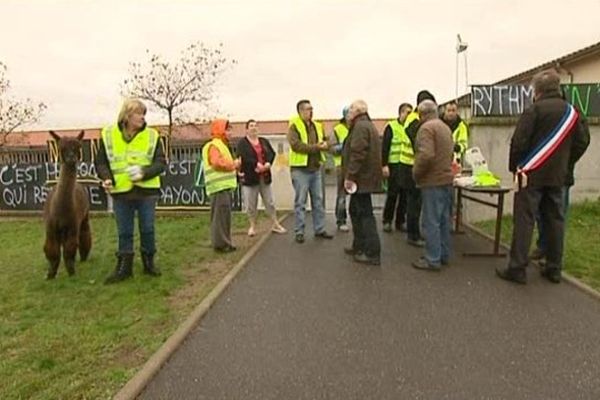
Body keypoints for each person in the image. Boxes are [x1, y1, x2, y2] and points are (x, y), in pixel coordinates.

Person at [496, 69, 589, 284]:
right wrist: (566, 162)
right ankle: (554, 268)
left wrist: (515, 168)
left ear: (537, 90)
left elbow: (519, 142)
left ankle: (517, 268)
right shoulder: (573, 113)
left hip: (531, 175)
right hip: (558, 176)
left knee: (525, 220)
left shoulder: (534, 111)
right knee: (555, 220)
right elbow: (582, 142)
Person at [95, 98, 165, 284]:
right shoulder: (108, 135)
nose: (142, 117)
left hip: (146, 191)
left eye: (144, 114)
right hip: (121, 191)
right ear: (127, 115)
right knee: (124, 231)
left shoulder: (152, 136)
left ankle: (149, 263)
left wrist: (143, 172)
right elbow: (101, 162)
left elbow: (161, 163)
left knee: (147, 229)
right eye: (138, 113)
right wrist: (106, 177)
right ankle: (124, 268)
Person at [530, 104, 590, 262]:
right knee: (541, 213)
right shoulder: (540, 111)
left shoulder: (572, 114)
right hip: (542, 172)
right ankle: (543, 246)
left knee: (556, 215)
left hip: (561, 175)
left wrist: (567, 161)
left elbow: (582, 141)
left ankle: (553, 257)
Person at [411, 100, 454, 271]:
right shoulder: (445, 127)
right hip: (446, 179)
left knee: (431, 221)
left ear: (422, 114)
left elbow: (426, 155)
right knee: (444, 220)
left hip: (432, 181)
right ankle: (443, 254)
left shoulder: (426, 129)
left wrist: (416, 172)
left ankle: (432, 258)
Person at [342, 100, 383, 265]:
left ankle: (372, 252)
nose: (348, 112)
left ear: (357, 111)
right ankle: (359, 245)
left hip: (361, 179)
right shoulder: (367, 125)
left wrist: (350, 176)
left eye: (351, 109)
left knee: (365, 215)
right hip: (366, 178)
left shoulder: (360, 127)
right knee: (355, 210)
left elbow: (357, 153)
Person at [287, 99, 333, 243]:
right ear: (300, 111)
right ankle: (299, 231)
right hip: (300, 169)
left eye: (312, 109)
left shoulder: (318, 126)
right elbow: (296, 145)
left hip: (315, 168)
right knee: (300, 201)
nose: (311, 112)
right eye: (308, 109)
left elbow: (325, 141)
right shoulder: (294, 126)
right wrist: (316, 148)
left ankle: (319, 229)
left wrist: (326, 144)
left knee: (318, 200)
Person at [236, 119, 287, 236]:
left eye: (255, 126)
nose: (254, 128)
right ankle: (252, 226)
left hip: (264, 176)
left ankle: (275, 224)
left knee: (269, 202)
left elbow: (271, 153)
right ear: (247, 129)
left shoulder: (263, 141)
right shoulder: (242, 143)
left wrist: (268, 163)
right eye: (251, 126)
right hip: (250, 178)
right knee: (251, 204)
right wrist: (255, 164)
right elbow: (242, 157)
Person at [401, 90, 437, 247]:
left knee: (415, 202)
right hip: (410, 166)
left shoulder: (414, 120)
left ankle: (414, 233)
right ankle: (413, 235)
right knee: (413, 203)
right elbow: (420, 142)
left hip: (411, 164)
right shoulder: (414, 121)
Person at [202, 119, 241, 253]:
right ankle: (221, 244)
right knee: (221, 217)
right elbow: (217, 163)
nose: (230, 133)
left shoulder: (221, 145)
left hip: (221, 187)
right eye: (228, 129)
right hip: (219, 187)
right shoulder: (215, 145)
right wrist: (233, 165)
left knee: (223, 216)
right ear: (220, 130)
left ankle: (224, 242)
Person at [381, 103, 412, 233]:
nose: (409, 115)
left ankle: (400, 222)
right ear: (400, 113)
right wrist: (384, 165)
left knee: (405, 195)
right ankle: (387, 221)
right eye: (407, 112)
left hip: (406, 165)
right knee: (392, 194)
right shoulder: (391, 126)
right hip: (393, 165)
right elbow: (385, 147)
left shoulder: (412, 127)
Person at [329, 106, 351, 232]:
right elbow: (331, 148)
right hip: (341, 166)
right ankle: (341, 220)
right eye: (349, 114)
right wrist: (344, 147)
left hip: (355, 165)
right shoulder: (337, 130)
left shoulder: (356, 128)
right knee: (342, 194)